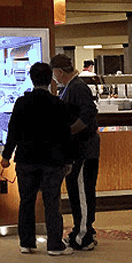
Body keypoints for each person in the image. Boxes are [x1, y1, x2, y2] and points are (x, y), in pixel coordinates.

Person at [0, 62, 74, 256]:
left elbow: (13, 131)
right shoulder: (58, 104)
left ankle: (27, 243)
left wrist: (6, 156)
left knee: (26, 201)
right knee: (52, 202)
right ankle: (54, 245)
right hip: (53, 160)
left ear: (31, 79)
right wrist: (68, 160)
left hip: (26, 159)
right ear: (50, 81)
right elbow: (65, 135)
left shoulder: (22, 103)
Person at [51, 53, 100, 251]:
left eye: (54, 72)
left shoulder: (77, 88)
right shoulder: (71, 88)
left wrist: (69, 131)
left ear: (59, 72)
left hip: (84, 150)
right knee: (78, 191)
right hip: (78, 150)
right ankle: (84, 229)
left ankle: (82, 235)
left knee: (81, 192)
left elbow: (88, 113)